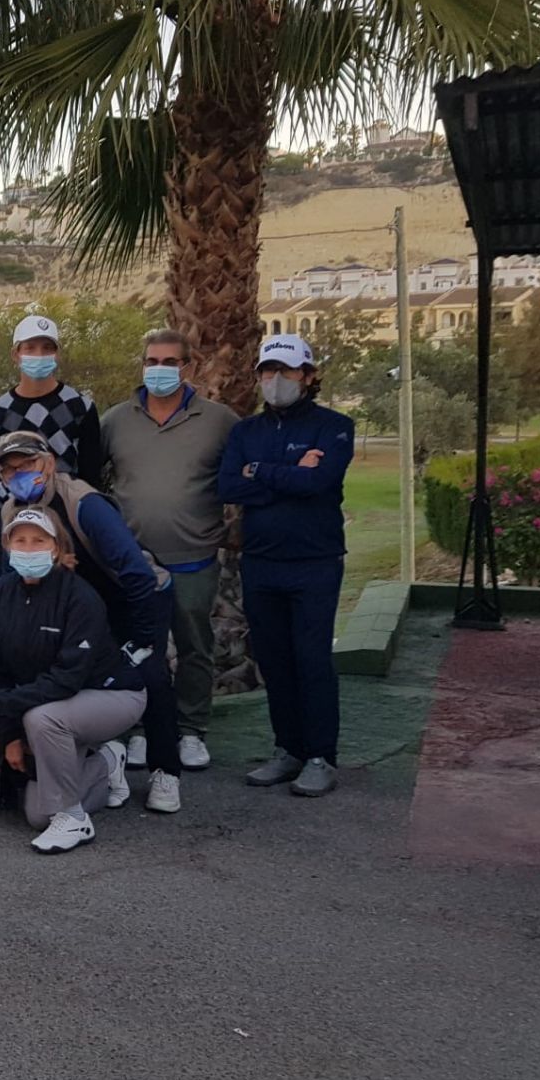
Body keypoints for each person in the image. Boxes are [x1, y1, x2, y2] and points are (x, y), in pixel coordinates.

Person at [0, 508, 147, 854]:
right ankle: (105, 764)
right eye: (20, 540)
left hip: (111, 695)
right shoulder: (0, 594)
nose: (29, 548)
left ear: (56, 547)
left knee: (42, 719)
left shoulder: (80, 596)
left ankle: (73, 818)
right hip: (54, 704)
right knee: (37, 814)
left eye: (39, 540)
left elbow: (66, 679)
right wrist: (10, 736)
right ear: (7, 546)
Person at [0, 428, 182, 813]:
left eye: (27, 464)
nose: (19, 474)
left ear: (48, 462)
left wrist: (141, 641)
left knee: (149, 675)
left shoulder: (84, 503)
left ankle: (166, 770)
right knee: (77, 676)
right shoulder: (10, 511)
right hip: (78, 605)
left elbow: (136, 573)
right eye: (9, 469)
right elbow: (11, 577)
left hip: (132, 596)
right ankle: (106, 757)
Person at [219, 333, 353, 798]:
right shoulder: (245, 432)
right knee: (274, 661)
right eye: (267, 371)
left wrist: (260, 470)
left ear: (308, 376)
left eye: (286, 371)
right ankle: (288, 749)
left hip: (315, 562)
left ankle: (320, 756)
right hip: (261, 561)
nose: (275, 379)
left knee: (312, 660)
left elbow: (319, 483)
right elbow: (229, 486)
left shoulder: (335, 426)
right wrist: (291, 473)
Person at [100, 329, 237, 771]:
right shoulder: (115, 421)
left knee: (195, 645)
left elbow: (245, 477)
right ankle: (141, 729)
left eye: (169, 362)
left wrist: (234, 529)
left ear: (187, 366)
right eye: (151, 361)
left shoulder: (218, 420)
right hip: (134, 562)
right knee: (140, 647)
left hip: (194, 555)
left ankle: (191, 730)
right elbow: (91, 478)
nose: (159, 370)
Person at [0, 313, 104, 515]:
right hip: (18, 521)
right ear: (16, 354)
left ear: (57, 354)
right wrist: (3, 523)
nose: (39, 355)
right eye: (30, 348)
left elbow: (91, 477)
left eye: (47, 348)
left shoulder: (80, 407)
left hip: (71, 520)